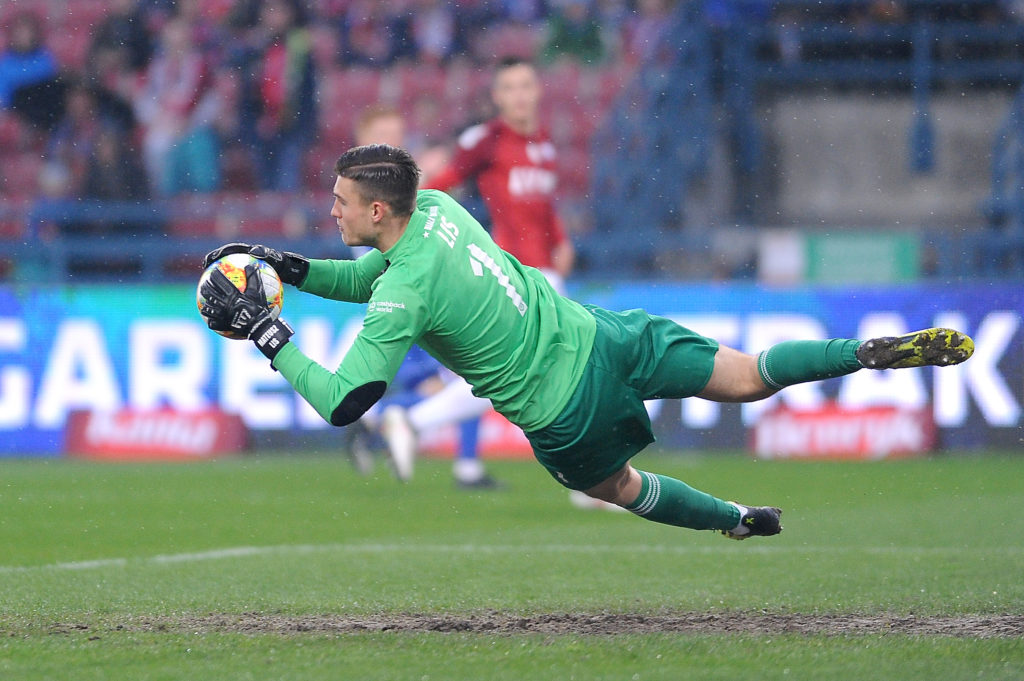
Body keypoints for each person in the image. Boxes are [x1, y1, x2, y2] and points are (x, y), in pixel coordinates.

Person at [198, 144, 975, 540]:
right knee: (749, 373)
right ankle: (861, 353)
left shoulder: (403, 294)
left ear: (377, 213)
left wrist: (270, 335)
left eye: (340, 203)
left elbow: (345, 401)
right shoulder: (432, 208)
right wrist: (285, 266)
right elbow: (367, 275)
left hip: (563, 409)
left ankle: (738, 518)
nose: (330, 211)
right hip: (600, 333)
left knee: (621, 489)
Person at [351, 105, 496, 488]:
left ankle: (378, 422)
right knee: (470, 374)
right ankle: (382, 421)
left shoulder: (398, 181)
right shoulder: (360, 189)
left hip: (424, 294)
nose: (394, 141)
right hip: (402, 300)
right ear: (363, 140)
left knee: (469, 373)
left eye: (398, 133)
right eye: (384, 133)